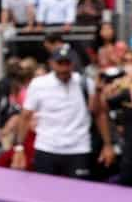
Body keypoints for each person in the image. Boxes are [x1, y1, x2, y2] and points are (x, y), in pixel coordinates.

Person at [13, 44, 96, 179]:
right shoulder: (39, 84)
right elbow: (25, 116)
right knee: (44, 195)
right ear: (51, 63)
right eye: (60, 63)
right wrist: (19, 148)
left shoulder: (85, 83)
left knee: (79, 195)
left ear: (73, 64)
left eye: (67, 63)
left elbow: (98, 113)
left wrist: (108, 144)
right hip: (47, 147)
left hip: (79, 148)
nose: (63, 68)